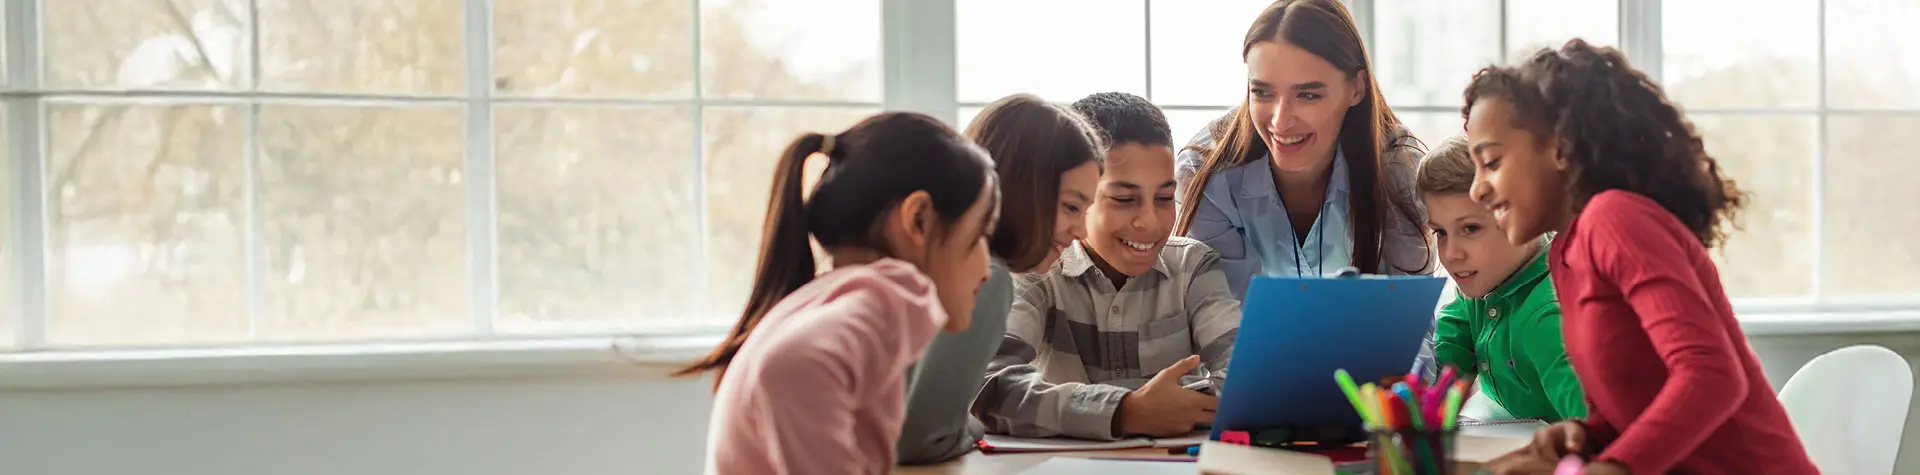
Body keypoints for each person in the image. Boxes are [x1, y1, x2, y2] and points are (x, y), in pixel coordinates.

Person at [1468, 40, 1818, 475]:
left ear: (1559, 148)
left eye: (1492, 162)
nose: (1477, 189)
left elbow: (1712, 375)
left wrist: (1614, 467)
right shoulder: (1565, 255)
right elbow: (1627, 407)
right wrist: (1587, 434)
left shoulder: (1615, 219)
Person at [677, 112, 1001, 474]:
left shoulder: (837, 300)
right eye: (980, 236)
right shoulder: (872, 305)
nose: (987, 270)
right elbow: (791, 365)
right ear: (919, 221)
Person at [1174, 0, 1437, 381]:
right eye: (1262, 93)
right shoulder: (1207, 174)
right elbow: (1225, 330)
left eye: (1308, 95)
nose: (1280, 120)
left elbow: (1411, 329)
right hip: (1258, 385)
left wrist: (1406, 381)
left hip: (1369, 394)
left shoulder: (1397, 171)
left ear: (1356, 88)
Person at [972, 92, 1241, 440]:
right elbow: (991, 387)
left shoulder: (1193, 266)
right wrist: (1126, 411)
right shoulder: (1038, 270)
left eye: (1163, 198)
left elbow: (1243, 379)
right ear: (1080, 195)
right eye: (1124, 199)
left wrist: (1159, 405)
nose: (1150, 221)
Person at [896, 94, 1105, 464]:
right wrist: (972, 426)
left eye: (1087, 210)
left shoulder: (927, 261)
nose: (1082, 232)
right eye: (1071, 206)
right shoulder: (984, 278)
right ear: (1021, 189)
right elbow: (922, 439)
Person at [1419, 135, 1584, 422]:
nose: (1451, 253)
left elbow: (1596, 428)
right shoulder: (1483, 286)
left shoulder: (1547, 316)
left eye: (1470, 228)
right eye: (1441, 232)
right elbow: (1451, 354)